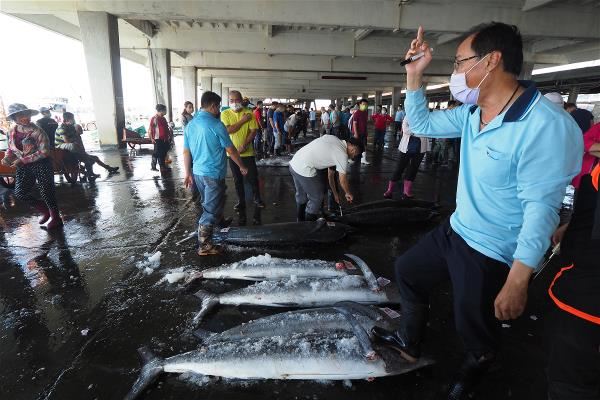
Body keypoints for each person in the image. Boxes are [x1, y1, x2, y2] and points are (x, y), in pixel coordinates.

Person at [371, 23, 583, 399]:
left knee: (471, 320)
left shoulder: (545, 127)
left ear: (492, 61)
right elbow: (420, 124)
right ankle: (408, 337)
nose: (454, 72)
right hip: (457, 229)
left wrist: (518, 279)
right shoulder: (473, 114)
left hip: (493, 248)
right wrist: (413, 75)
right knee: (408, 271)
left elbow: (542, 209)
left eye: (458, 62)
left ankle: (481, 358)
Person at [183, 91, 248, 256]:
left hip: (198, 173)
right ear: (212, 106)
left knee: (214, 199)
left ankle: (220, 223)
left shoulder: (190, 125)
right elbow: (230, 149)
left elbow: (185, 151)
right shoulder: (216, 125)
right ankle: (204, 245)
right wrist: (241, 165)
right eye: (218, 106)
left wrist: (187, 173)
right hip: (212, 174)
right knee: (210, 209)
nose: (219, 109)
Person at [1, 104, 62, 229]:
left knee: (47, 191)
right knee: (20, 192)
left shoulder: (37, 131)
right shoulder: (12, 131)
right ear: (14, 118)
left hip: (41, 164)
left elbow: (44, 151)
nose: (25, 118)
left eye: (27, 114)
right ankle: (45, 210)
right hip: (23, 166)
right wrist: (7, 157)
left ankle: (56, 218)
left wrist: (23, 160)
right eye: (21, 115)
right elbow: (11, 148)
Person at [288, 135, 362, 221]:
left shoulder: (333, 138)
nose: (353, 156)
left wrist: (335, 194)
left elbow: (330, 176)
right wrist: (347, 193)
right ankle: (309, 225)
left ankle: (300, 220)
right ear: (353, 147)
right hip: (304, 168)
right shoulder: (342, 154)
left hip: (294, 163)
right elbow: (343, 180)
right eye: (355, 153)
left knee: (301, 195)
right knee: (317, 197)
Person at [221, 90, 266, 223]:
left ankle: (257, 198)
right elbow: (228, 130)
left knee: (252, 177)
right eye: (231, 101)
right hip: (232, 154)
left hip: (247, 153)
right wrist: (242, 121)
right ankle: (241, 202)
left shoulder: (249, 113)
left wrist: (245, 144)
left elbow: (254, 131)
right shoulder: (225, 113)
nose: (234, 103)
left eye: (237, 100)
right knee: (237, 180)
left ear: (241, 100)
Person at [56, 112, 119, 179]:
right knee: (73, 145)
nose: (73, 120)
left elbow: (77, 138)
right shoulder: (61, 128)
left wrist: (81, 146)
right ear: (66, 120)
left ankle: (107, 168)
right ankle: (89, 170)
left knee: (94, 158)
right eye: (72, 119)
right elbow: (67, 141)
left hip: (73, 148)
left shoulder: (71, 127)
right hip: (61, 148)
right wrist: (77, 141)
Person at [383, 118, 427, 199]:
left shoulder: (425, 116)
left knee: (413, 169)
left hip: (420, 148)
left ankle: (407, 191)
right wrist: (419, 130)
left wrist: (414, 130)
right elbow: (405, 130)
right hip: (406, 147)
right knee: (399, 168)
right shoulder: (408, 115)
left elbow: (428, 130)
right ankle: (390, 190)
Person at [149, 104, 172, 171]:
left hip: (164, 139)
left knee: (163, 152)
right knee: (157, 153)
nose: (166, 112)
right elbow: (150, 129)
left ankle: (162, 167)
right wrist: (151, 138)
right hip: (157, 139)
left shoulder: (163, 118)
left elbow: (166, 128)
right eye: (165, 110)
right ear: (161, 110)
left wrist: (169, 136)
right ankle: (153, 166)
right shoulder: (155, 119)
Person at [352, 98, 370, 165]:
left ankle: (363, 159)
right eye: (363, 104)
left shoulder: (365, 112)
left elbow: (365, 123)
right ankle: (352, 158)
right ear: (360, 104)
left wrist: (366, 132)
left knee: (364, 145)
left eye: (366, 105)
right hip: (358, 133)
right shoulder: (357, 113)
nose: (364, 106)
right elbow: (354, 123)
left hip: (364, 132)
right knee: (356, 146)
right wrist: (356, 133)